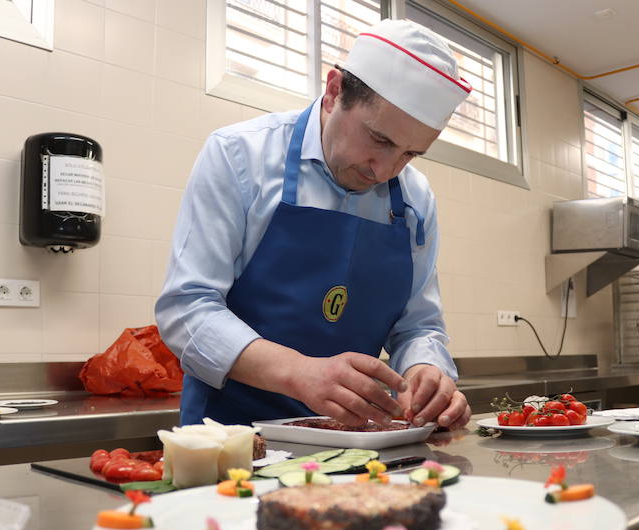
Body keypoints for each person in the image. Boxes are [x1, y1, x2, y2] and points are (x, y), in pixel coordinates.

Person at [156, 19, 472, 431]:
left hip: (356, 441)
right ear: (334, 91)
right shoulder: (239, 156)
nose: (385, 171)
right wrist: (298, 372)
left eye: (411, 154)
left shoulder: (414, 198)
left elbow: (418, 325)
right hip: (231, 437)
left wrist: (426, 370)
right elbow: (187, 309)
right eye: (379, 140)